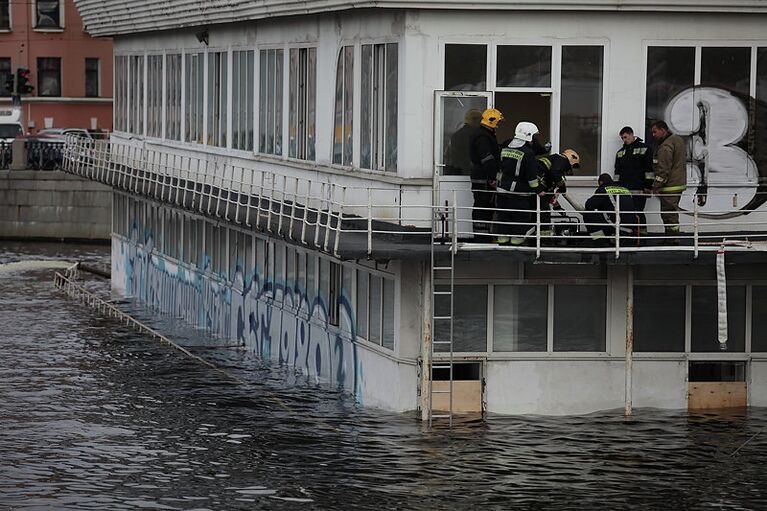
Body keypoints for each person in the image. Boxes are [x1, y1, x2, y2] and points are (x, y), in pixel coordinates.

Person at [494, 121, 544, 245]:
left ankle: (502, 240)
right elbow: (531, 177)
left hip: (502, 189)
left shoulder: (505, 147)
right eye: (533, 136)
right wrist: (539, 189)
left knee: (503, 216)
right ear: (528, 136)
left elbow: (500, 167)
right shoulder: (528, 153)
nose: (534, 139)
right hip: (519, 193)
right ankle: (516, 242)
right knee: (520, 217)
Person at [469, 108, 504, 239]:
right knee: (483, 205)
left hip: (482, 177)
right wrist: (492, 178)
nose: (498, 125)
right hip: (483, 178)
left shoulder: (484, 134)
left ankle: (484, 235)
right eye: (498, 122)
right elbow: (487, 159)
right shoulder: (483, 137)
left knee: (486, 205)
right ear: (492, 121)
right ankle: (481, 237)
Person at [650, 120, 687, 235]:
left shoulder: (666, 146)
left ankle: (672, 239)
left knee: (668, 214)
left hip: (669, 186)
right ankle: (672, 237)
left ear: (663, 130)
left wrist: (655, 186)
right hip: (678, 183)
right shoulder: (678, 140)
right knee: (672, 213)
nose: (653, 135)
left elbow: (663, 170)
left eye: (655, 132)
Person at [614, 126, 653, 233]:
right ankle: (629, 234)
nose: (624, 140)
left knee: (638, 211)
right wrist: (616, 188)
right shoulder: (621, 152)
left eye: (626, 137)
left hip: (640, 188)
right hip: (624, 189)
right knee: (626, 213)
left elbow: (649, 169)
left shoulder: (645, 148)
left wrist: (648, 186)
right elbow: (617, 172)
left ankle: (642, 234)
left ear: (632, 134)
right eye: (622, 138)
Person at [536, 149, 580, 236]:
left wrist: (557, 207)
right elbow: (555, 173)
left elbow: (549, 192)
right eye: (573, 165)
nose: (571, 168)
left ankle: (536, 238)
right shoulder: (562, 160)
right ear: (571, 158)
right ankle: (543, 239)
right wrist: (562, 186)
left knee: (539, 212)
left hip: (535, 185)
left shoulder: (554, 162)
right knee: (544, 212)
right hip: (537, 185)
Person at [583, 173, 637, 242]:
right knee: (607, 215)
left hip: (617, 222)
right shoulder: (624, 189)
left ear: (601, 182)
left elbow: (589, 205)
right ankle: (615, 236)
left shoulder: (603, 189)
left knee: (588, 216)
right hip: (632, 223)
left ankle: (600, 240)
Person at [444, 109, 482, 176]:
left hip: (455, 172)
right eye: (480, 120)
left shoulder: (457, 134)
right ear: (475, 120)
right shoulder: (475, 135)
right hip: (467, 172)